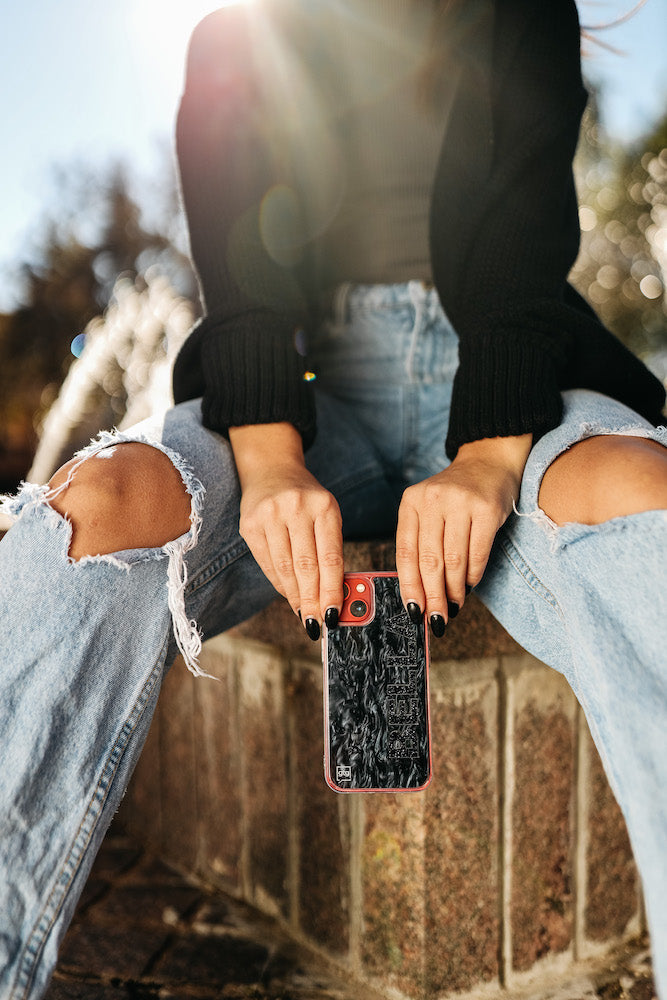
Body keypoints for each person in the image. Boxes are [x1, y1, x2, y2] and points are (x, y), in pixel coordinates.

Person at [1, 0, 666, 996]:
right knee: (88, 507)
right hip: (304, 388)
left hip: (497, 376)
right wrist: (269, 459)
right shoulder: (235, 38)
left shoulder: (520, 11)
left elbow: (516, 255)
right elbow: (243, 274)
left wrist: (487, 457)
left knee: (644, 496)